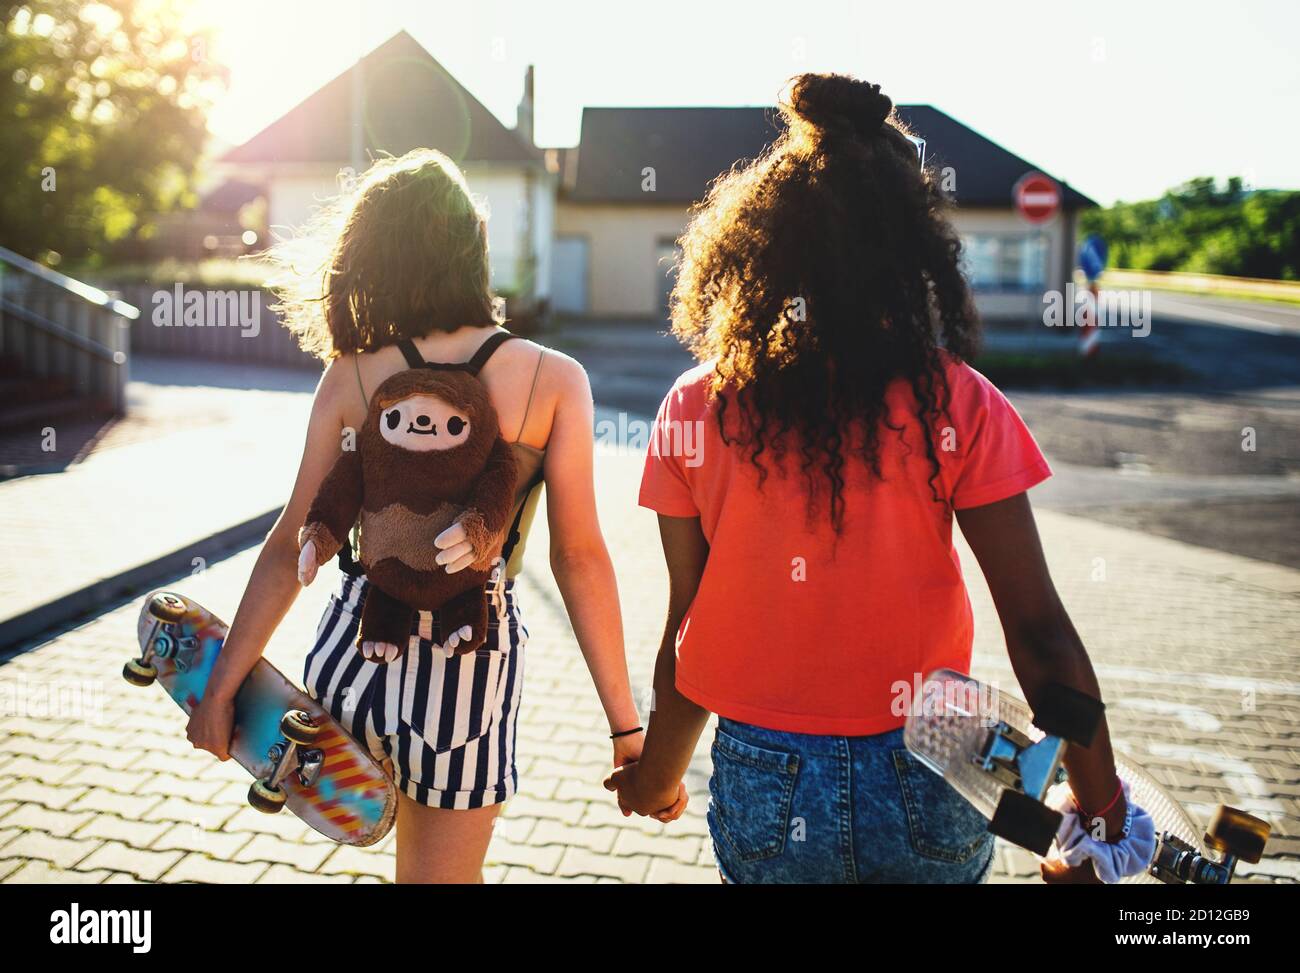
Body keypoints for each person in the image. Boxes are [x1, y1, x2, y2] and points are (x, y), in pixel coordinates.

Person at [604, 74, 1131, 884]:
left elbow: (692, 629)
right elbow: (1039, 633)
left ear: (759, 248)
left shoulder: (693, 407)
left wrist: (657, 778)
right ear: (908, 248)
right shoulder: (957, 401)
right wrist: (1103, 821)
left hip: (765, 782)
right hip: (933, 764)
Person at [184, 148, 682, 883]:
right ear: (473, 247)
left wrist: (220, 688)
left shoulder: (353, 375)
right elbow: (577, 557)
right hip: (469, 662)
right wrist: (626, 724)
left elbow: (292, 539)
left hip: (356, 650)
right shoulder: (552, 379)